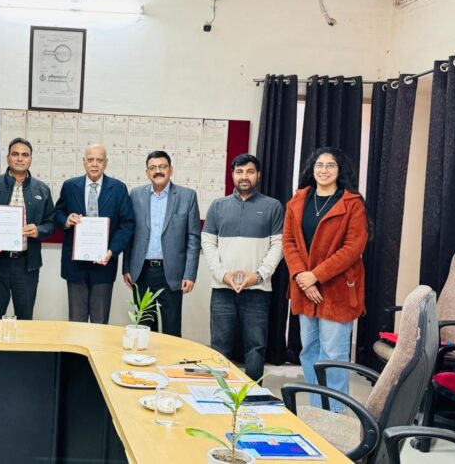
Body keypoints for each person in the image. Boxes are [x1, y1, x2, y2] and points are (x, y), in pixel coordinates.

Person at [282, 147, 369, 411]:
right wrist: (302, 277)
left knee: (332, 355)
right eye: (319, 165)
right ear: (312, 169)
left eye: (331, 165)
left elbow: (353, 249)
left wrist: (315, 276)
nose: (324, 170)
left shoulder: (352, 203)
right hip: (304, 289)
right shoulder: (297, 201)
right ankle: (316, 410)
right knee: (309, 351)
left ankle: (336, 413)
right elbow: (288, 242)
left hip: (337, 291)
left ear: (340, 171)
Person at [201, 153, 284, 381]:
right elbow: (208, 243)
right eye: (239, 172)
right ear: (232, 175)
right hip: (222, 289)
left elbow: (278, 246)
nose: (244, 176)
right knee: (219, 345)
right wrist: (223, 275)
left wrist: (258, 276)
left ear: (258, 175)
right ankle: (219, 392)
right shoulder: (218, 206)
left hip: (257, 290)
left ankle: (253, 393)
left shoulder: (273, 206)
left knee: (256, 346)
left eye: (249, 171)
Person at [122, 150, 201, 337]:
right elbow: (129, 233)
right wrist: (126, 268)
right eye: (153, 168)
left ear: (171, 170)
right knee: (144, 327)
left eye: (162, 166)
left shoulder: (187, 196)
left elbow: (193, 238)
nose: (158, 171)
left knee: (172, 329)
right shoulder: (136, 195)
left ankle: (170, 357)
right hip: (142, 271)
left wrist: (190, 274)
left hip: (171, 272)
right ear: (147, 172)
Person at [54, 144, 134, 324]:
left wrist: (112, 251)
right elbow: (57, 214)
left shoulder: (118, 188)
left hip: (104, 264)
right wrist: (66, 220)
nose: (95, 164)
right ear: (84, 162)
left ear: (106, 163)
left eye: (99, 160)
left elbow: (127, 224)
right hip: (75, 266)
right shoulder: (70, 186)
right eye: (90, 160)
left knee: (100, 323)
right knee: (77, 322)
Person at [0, 138, 56, 320]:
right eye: (15, 154)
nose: (20, 159)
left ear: (30, 159)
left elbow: (51, 223)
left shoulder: (42, 189)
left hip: (27, 263)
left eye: (25, 155)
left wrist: (39, 230)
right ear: (8, 158)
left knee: (25, 318)